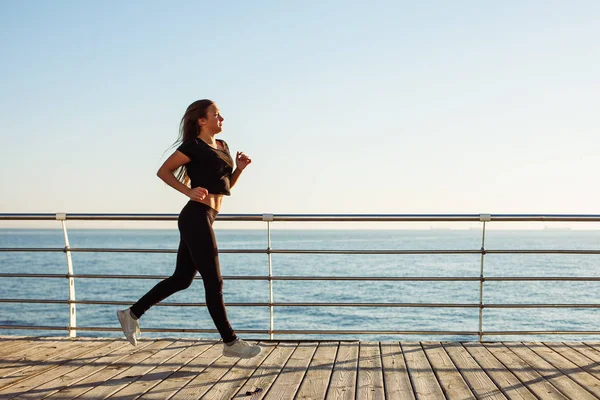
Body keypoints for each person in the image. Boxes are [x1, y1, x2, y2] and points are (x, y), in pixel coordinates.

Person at [117, 99, 261, 359]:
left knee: (182, 279)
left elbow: (224, 185)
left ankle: (131, 314)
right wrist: (189, 191)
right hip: (195, 216)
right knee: (214, 282)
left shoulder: (222, 146)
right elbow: (164, 171)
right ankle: (230, 342)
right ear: (201, 121)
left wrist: (238, 169)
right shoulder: (192, 146)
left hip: (207, 215)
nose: (222, 119)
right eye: (216, 115)